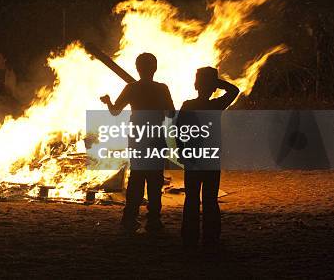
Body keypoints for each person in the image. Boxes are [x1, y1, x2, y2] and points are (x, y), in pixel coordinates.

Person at [100, 53, 175, 232]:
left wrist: (108, 101)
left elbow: (115, 112)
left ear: (137, 68)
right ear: (154, 68)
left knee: (136, 179)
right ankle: (154, 220)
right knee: (155, 180)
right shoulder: (162, 88)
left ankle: (130, 218)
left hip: (138, 138)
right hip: (156, 136)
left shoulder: (131, 88)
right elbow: (171, 114)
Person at [178, 67, 239, 247]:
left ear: (195, 85)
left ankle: (189, 238)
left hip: (193, 158)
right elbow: (234, 91)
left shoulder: (188, 105)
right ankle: (210, 238)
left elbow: (178, 131)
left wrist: (182, 152)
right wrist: (216, 82)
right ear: (213, 88)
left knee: (191, 198)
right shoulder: (215, 105)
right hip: (211, 158)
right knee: (210, 199)